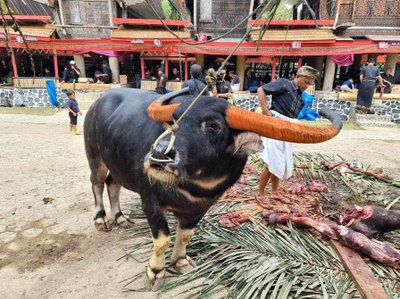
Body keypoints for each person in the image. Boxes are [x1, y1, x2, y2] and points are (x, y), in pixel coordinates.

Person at [256, 65, 319, 205]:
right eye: (305, 82)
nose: (307, 86)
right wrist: (265, 111)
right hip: (274, 125)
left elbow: (293, 118)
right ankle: (260, 194)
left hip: (286, 129)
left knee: (280, 161)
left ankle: (274, 192)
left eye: (309, 83)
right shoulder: (284, 84)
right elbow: (261, 90)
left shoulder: (301, 100)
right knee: (271, 161)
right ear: (297, 77)